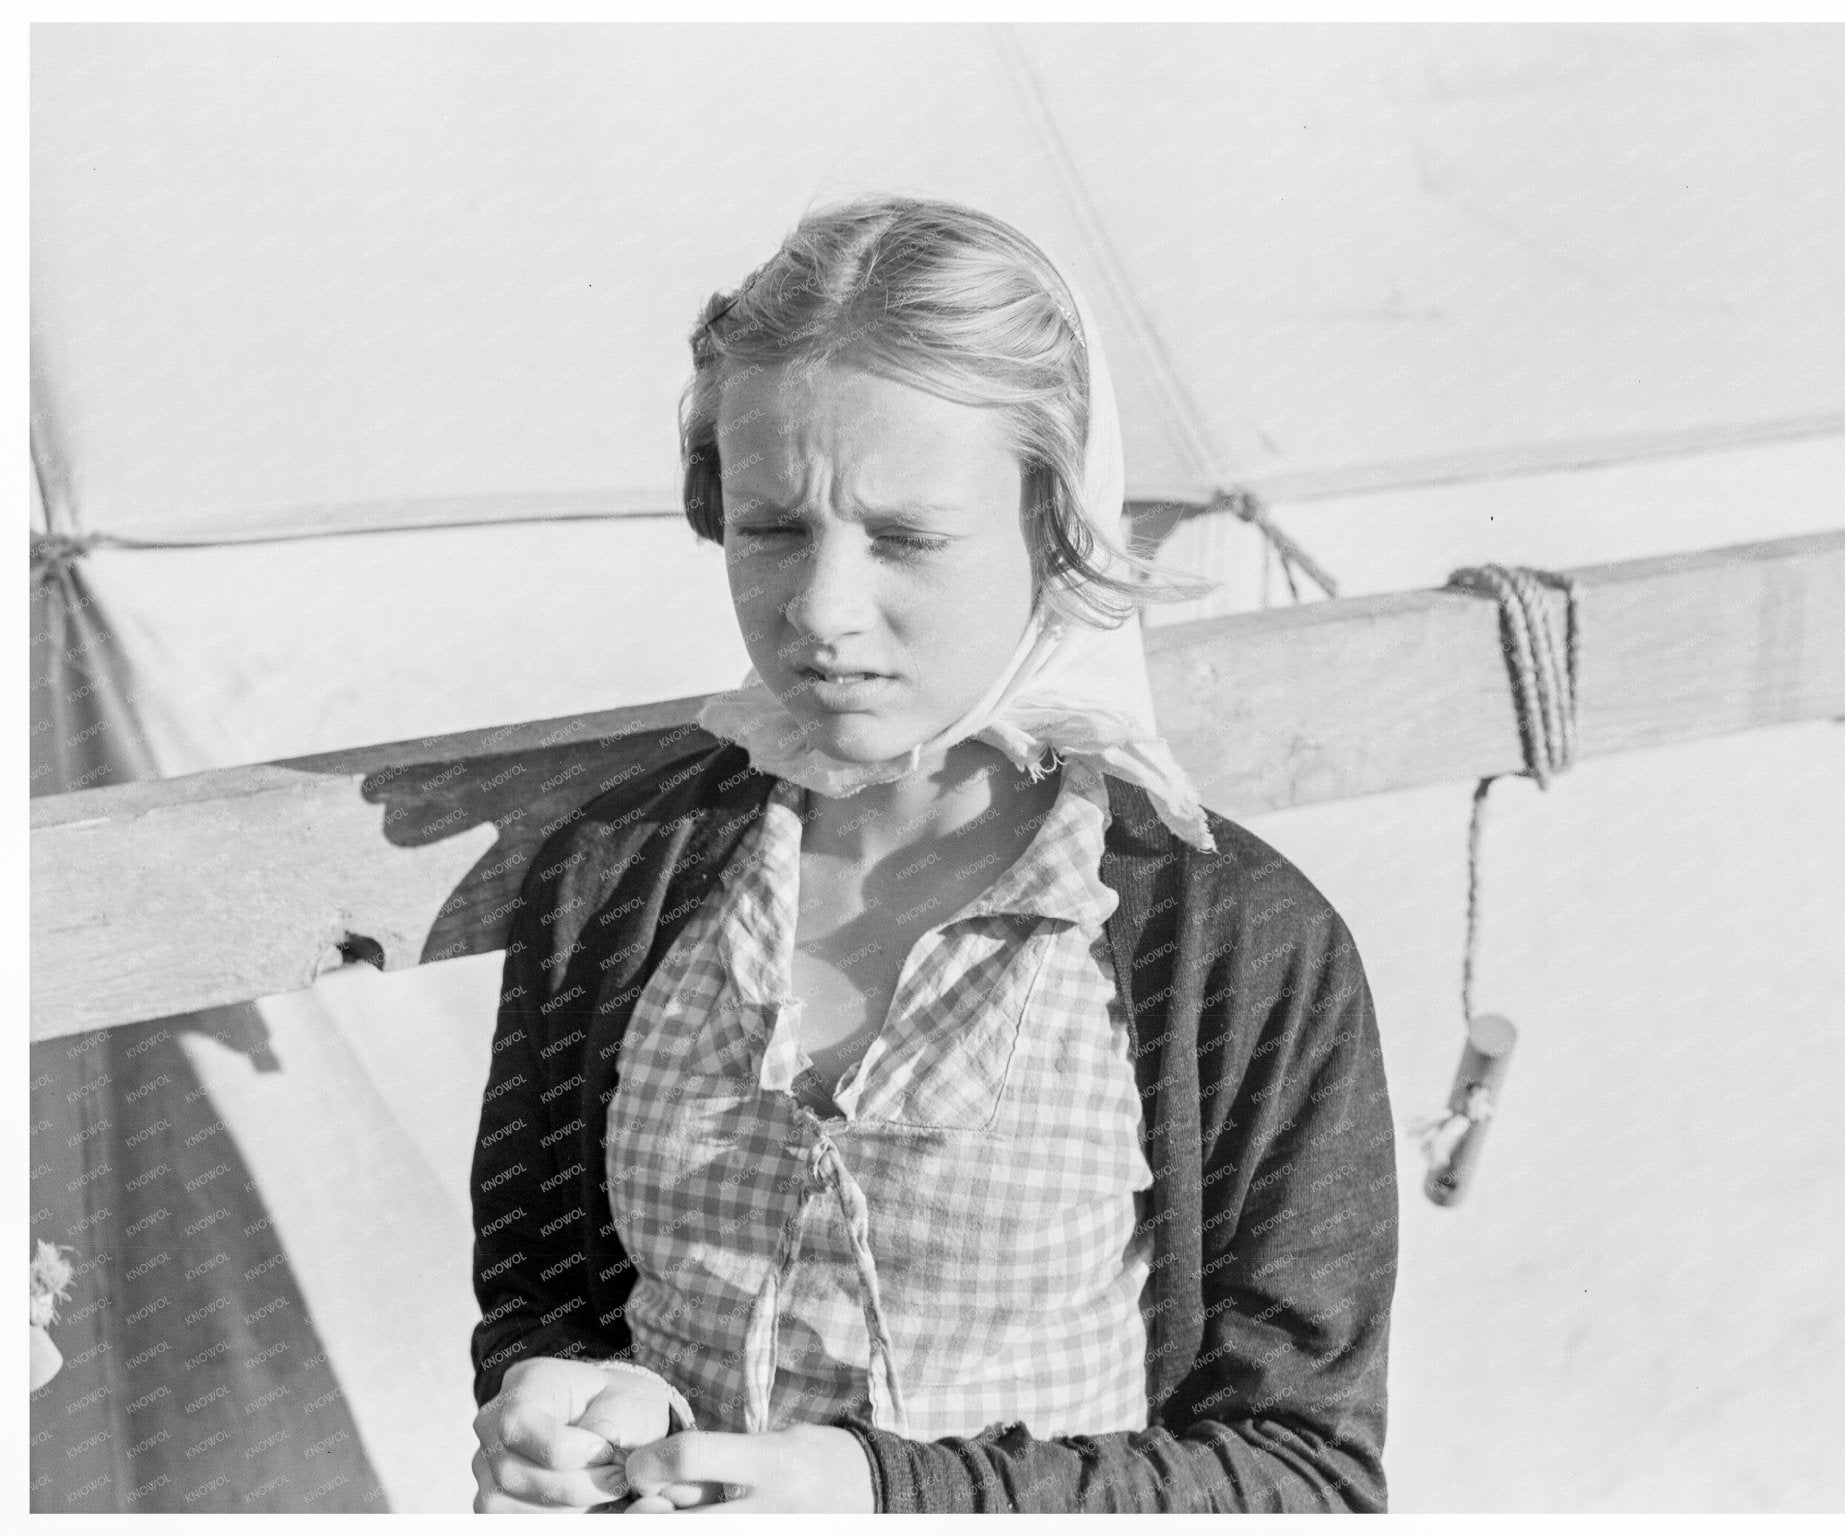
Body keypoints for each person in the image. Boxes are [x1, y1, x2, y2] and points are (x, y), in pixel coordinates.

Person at [468, 194, 1398, 1513]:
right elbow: (540, 1300)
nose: (824, 610)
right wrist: (557, 1403)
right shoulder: (619, 883)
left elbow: (1304, 1473)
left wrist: (880, 1494)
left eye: (908, 538)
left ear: (1058, 524)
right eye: (773, 527)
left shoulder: (1235, 948)